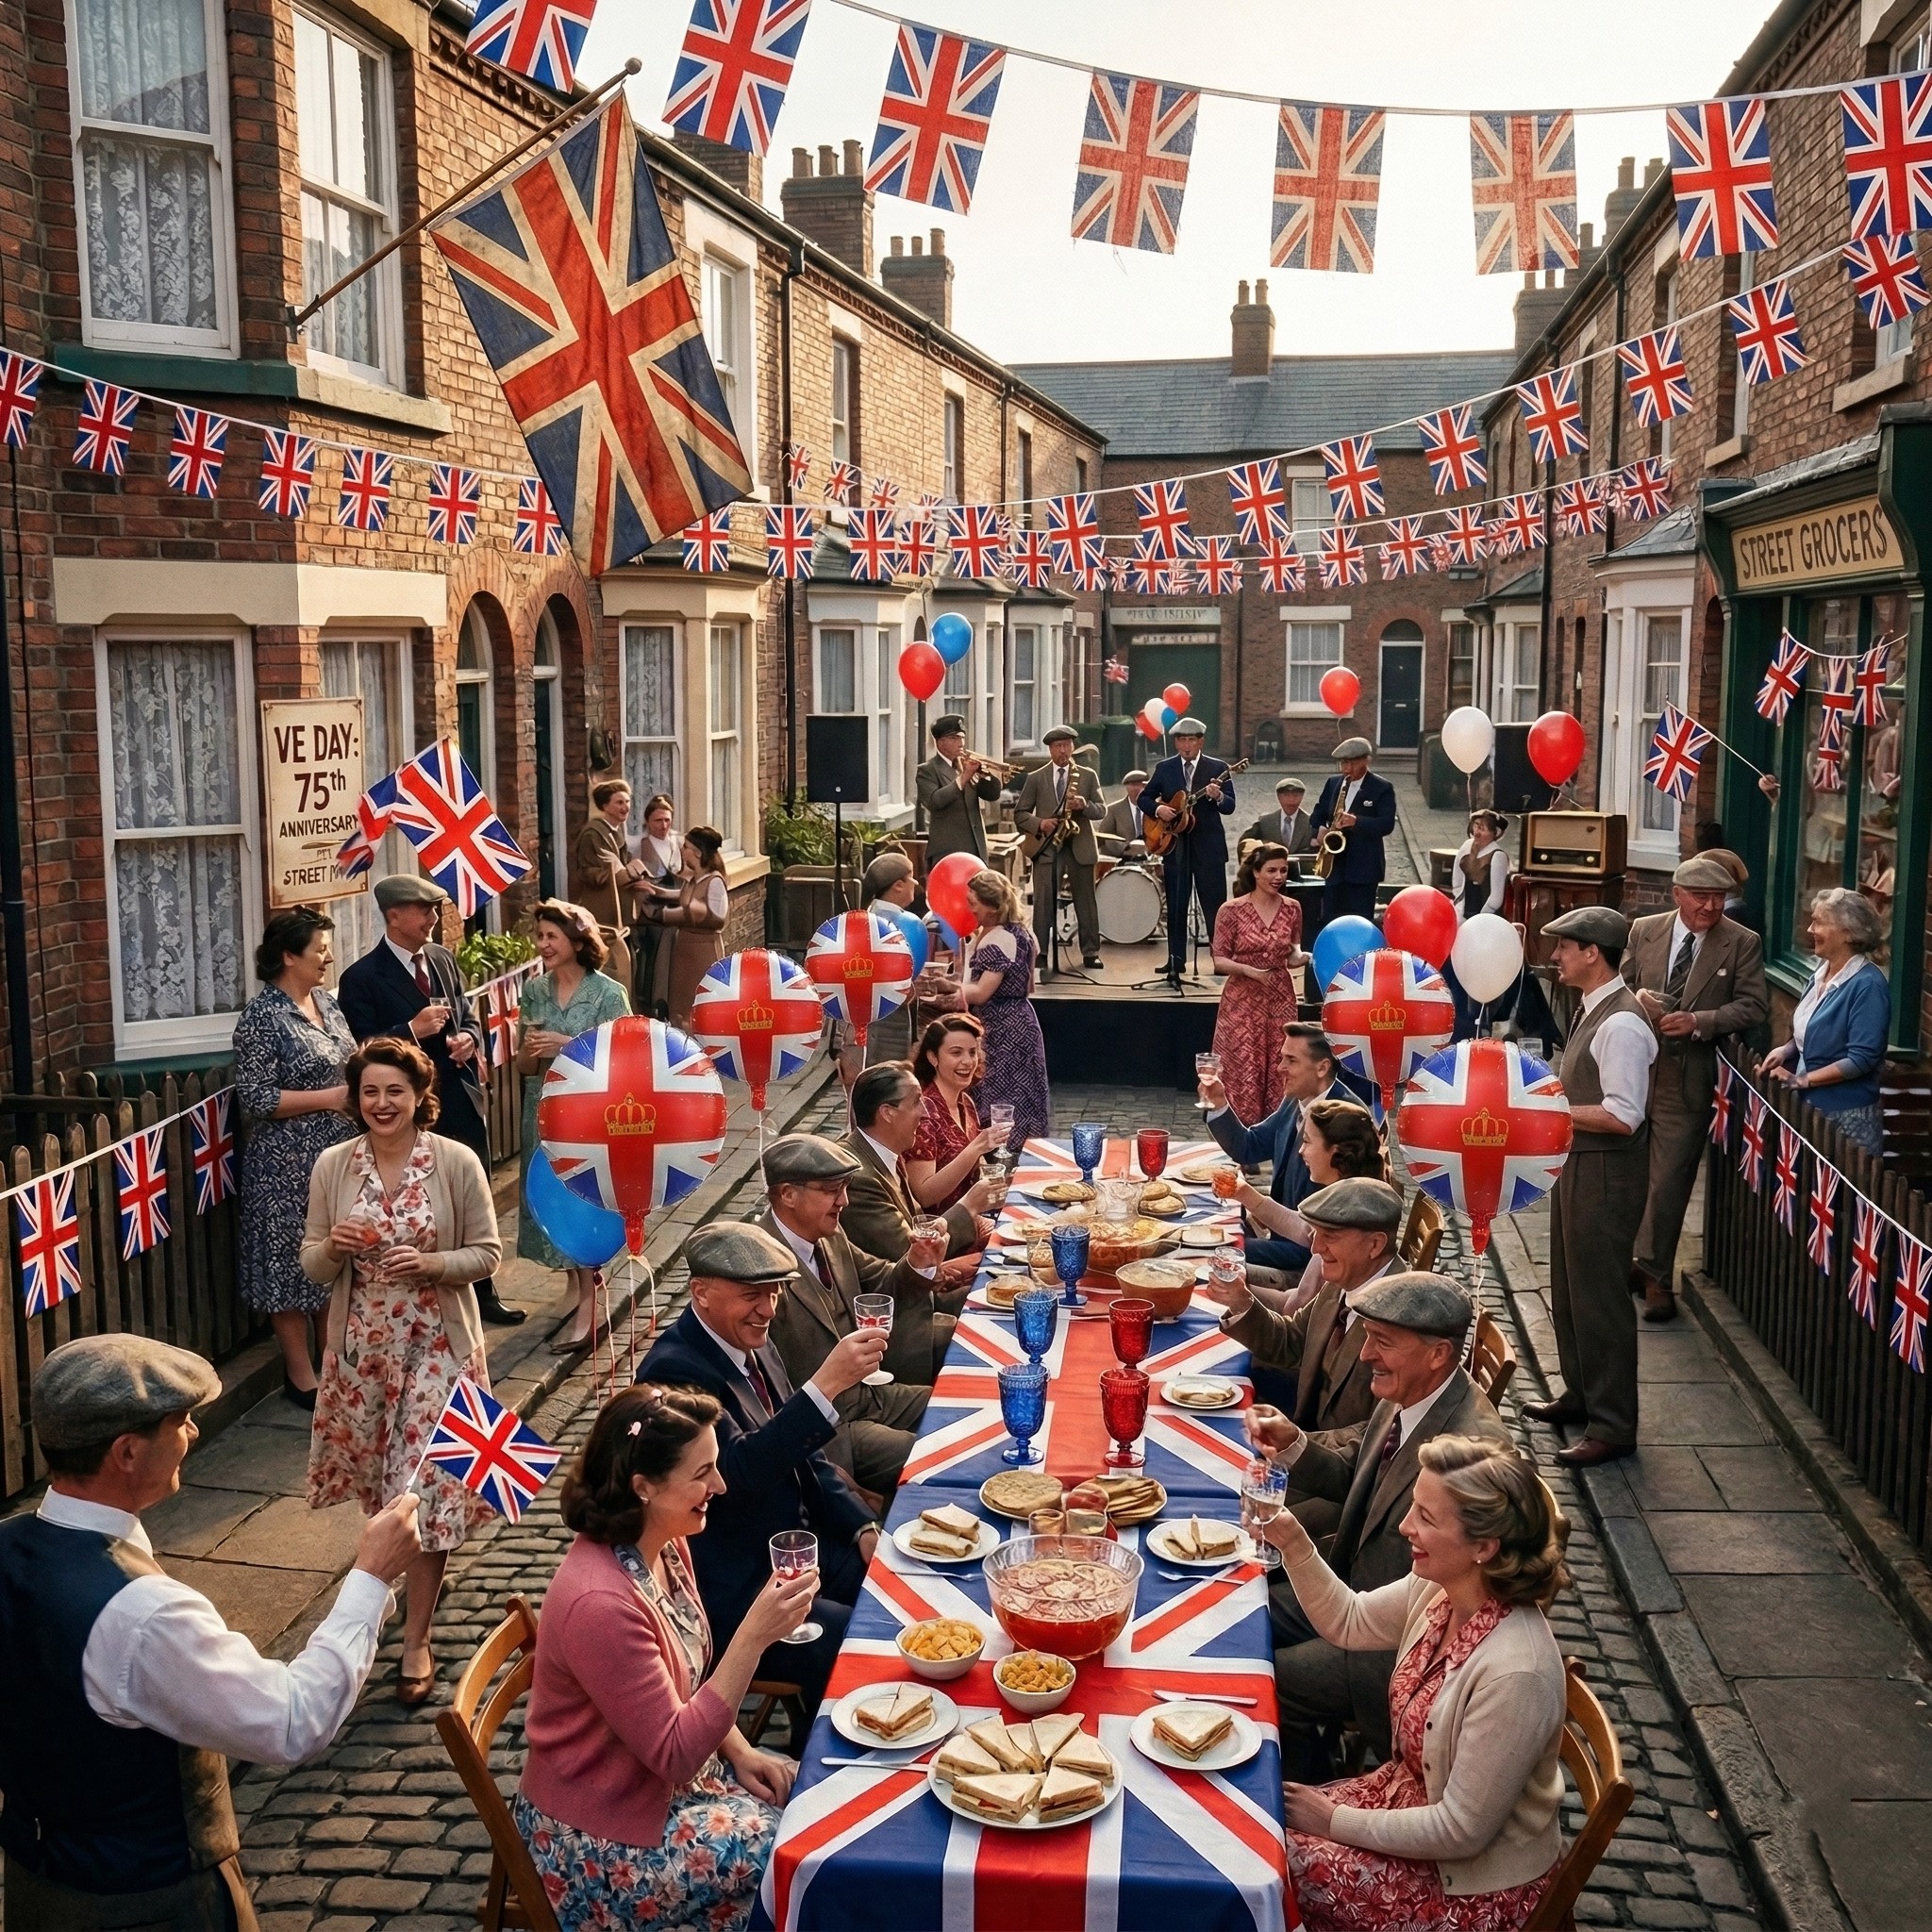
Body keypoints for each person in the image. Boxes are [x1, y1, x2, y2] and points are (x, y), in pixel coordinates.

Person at [0, 1334, 421, 1932]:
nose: (193, 1434)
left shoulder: (8, 1545)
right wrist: (372, 1578)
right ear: (125, 1452)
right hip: (152, 1903)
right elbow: (292, 1721)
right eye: (180, 1421)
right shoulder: (143, 1614)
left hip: (35, 1886)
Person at [515, 1384, 810, 1932]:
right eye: (702, 1474)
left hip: (666, 1788)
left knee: (812, 1795)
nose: (718, 1487)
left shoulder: (666, 1545)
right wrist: (753, 1638)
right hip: (601, 1837)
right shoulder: (599, 1603)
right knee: (796, 1853)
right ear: (643, 1487)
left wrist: (741, 1751)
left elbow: (683, 1686)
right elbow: (673, 1753)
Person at [1264, 1437, 1570, 1931]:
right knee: (1254, 1823)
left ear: (1483, 1547)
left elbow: (1459, 1831)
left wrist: (1332, 1821)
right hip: (1402, 1806)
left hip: (1466, 1885)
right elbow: (1349, 1620)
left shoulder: (1518, 1674)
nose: (1406, 1527)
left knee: (1267, 1867)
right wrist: (1293, 1542)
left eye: (1426, 1518)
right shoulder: (1440, 1587)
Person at [302, 1038, 504, 1705]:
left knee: (426, 1494)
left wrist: (434, 1265)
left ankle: (415, 1638)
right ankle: (377, 1597)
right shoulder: (335, 1165)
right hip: (362, 1357)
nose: (382, 1104)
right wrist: (334, 1245)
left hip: (437, 1351)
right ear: (356, 1102)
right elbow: (311, 1264)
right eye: (370, 1093)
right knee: (381, 1492)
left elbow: (488, 1254)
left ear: (420, 1096)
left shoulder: (454, 1162)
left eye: (395, 1091)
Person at [1245, 1274, 1510, 1773]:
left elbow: (1465, 1608)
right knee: (1236, 1602)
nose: (1365, 1353)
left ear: (1438, 1354)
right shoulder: (1409, 1390)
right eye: (1367, 1336)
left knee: (1258, 1677)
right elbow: (1355, 1470)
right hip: (1348, 1591)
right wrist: (1295, 1443)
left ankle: (1300, 1790)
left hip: (1389, 1642)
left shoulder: (1474, 1452)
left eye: (1382, 1341)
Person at [635, 1224, 884, 1711]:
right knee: (843, 1638)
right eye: (753, 1295)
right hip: (737, 1579)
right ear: (701, 1293)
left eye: (774, 1294)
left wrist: (859, 1526)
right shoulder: (676, 1371)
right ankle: (821, 1755)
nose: (768, 1310)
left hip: (795, 1547)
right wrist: (824, 1387)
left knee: (889, 1585)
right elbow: (736, 1476)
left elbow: (802, 1453)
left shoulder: (752, 1340)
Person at [337, 874, 522, 1328]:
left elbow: (468, 1016)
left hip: (458, 1097)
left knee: (468, 1194)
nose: (434, 919)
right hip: (407, 1113)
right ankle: (429, 1298)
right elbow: (361, 1051)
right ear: (394, 915)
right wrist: (410, 1032)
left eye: (436, 910)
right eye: (425, 911)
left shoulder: (441, 958)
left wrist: (468, 1039)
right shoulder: (360, 978)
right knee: (425, 1202)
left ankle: (483, 1292)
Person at [1522, 907, 1657, 1469]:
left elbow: (1624, 1115)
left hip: (1606, 1174)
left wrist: (1550, 1107)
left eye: (1563, 948)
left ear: (1592, 954)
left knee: (1599, 1298)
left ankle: (1613, 1424)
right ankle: (1580, 1394)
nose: (1555, 957)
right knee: (1570, 1286)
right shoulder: (1594, 1008)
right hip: (1581, 1166)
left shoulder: (1622, 1023)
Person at [1622, 854, 1771, 1322]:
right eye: (1701, 897)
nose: (1710, 907)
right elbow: (1616, 986)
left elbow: (1754, 1007)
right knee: (1629, 1175)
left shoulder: (1742, 942)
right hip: (1635, 1070)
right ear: (1678, 895)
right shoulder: (1645, 930)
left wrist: (1701, 1021)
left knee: (1668, 1182)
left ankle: (1657, 1278)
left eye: (1719, 898)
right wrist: (1637, 999)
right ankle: (1630, 1261)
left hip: (1687, 1081)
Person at [759, 1133, 951, 1493]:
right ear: (788, 1194)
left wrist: (918, 1263)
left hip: (873, 1395)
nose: (843, 1201)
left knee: (964, 1409)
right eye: (832, 1189)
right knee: (939, 1453)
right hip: (833, 1430)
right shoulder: (760, 1264)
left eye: (845, 1188)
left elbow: (881, 1279)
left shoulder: (829, 1234)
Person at [234, 907, 358, 1407]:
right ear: (289, 956)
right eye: (319, 949)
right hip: (285, 1165)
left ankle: (332, 1363)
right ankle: (300, 1375)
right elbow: (257, 1098)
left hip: (335, 1156)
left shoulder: (327, 1004)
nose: (328, 957)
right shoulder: (262, 1018)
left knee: (329, 1259)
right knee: (290, 1268)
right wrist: (330, 1098)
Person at [1203, 1179, 1399, 1494]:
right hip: (1304, 1451)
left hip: (1337, 1483)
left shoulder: (1399, 1323)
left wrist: (1295, 1443)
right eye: (1316, 1234)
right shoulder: (1345, 1280)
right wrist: (1242, 1302)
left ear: (1374, 1245)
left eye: (1329, 1237)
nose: (1316, 1248)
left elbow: (1380, 1438)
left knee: (1221, 1495)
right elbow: (1293, 1340)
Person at [517, 901, 631, 1353]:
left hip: (591, 1112)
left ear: (578, 942)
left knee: (586, 1199)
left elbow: (626, 1063)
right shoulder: (534, 991)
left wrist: (567, 1043)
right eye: (540, 937)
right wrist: (530, 1050)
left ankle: (591, 1308)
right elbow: (524, 1065)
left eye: (552, 937)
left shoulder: (608, 995)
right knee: (553, 1196)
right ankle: (579, 1291)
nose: (543, 945)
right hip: (543, 1105)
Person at [1202, 1023, 1355, 1274]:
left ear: (1322, 1067)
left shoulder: (1342, 1121)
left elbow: (1322, 1243)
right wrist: (1218, 1102)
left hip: (1310, 1260)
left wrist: (1238, 1245)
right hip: (1283, 1235)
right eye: (1282, 1058)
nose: (1279, 1068)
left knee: (1211, 1251)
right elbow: (1248, 1147)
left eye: (1291, 1061)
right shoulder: (1296, 1100)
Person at [1224, 1104, 1391, 1319]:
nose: (1300, 1150)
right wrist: (1244, 1192)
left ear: (1336, 1152)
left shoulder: (1344, 1224)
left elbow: (1294, 1309)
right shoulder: (1351, 1198)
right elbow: (1303, 1228)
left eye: (1307, 1141)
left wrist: (1239, 1293)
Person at [1762, 887, 1891, 1157]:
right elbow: (1810, 1028)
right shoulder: (1821, 973)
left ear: (1848, 932)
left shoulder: (1868, 985)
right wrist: (1786, 1050)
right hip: (1811, 1111)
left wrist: (1800, 1080)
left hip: (1844, 1120)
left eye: (1819, 922)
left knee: (1834, 1198)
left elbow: (1861, 1060)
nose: (1810, 929)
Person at [839, 1061, 991, 1265]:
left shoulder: (886, 1152)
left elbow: (918, 1226)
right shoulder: (858, 1177)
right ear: (887, 1113)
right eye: (917, 1102)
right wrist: (969, 1206)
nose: (925, 1112)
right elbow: (910, 1254)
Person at [1211, 842, 1307, 1122]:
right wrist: (1250, 971)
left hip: (1279, 997)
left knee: (1282, 1063)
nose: (1278, 877)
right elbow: (1219, 960)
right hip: (1242, 998)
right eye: (1271, 870)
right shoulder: (1231, 911)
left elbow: (1292, 953)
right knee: (1244, 1067)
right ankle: (1243, 1143)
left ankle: (1276, 1135)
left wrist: (1306, 957)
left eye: (1283, 870)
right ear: (1255, 872)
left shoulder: (1292, 909)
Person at [959, 869, 1051, 1145]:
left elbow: (981, 992)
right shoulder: (1021, 933)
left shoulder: (999, 940)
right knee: (1020, 1094)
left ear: (992, 907)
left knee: (1000, 1097)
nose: (969, 908)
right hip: (1021, 1021)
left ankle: (1001, 1155)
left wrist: (947, 989)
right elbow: (1029, 986)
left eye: (973, 903)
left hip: (1000, 1029)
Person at [1147, 718, 1237, 991]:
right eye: (1182, 740)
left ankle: (1220, 959)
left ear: (1200, 741)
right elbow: (1144, 797)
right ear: (1176, 742)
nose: (1187, 746)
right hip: (1175, 848)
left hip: (1208, 849)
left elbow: (1230, 806)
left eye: (1192, 740)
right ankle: (1176, 960)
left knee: (1215, 907)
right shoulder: (1164, 768)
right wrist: (1157, 809)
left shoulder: (1218, 769)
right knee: (1176, 904)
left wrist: (1218, 796)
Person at [1015, 724, 1101, 970]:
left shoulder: (1087, 775)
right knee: (1043, 902)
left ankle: (1091, 951)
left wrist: (1085, 805)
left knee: (1086, 901)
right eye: (1058, 746)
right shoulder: (1036, 778)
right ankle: (1040, 952)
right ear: (1050, 749)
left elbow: (1101, 810)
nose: (1063, 751)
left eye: (1067, 745)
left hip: (1080, 846)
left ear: (1073, 747)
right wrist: (1040, 823)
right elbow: (1020, 814)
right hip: (1048, 847)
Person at [907, 1014, 1001, 1215]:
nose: (968, 1061)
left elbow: (978, 1169)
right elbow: (924, 1195)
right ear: (933, 1058)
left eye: (973, 1052)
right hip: (943, 1227)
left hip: (975, 1214)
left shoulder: (965, 1102)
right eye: (956, 1053)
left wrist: (999, 1180)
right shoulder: (923, 1112)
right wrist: (975, 1148)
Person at [640, 824, 730, 1029]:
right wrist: (656, 891)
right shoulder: (694, 880)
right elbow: (683, 898)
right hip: (685, 950)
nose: (682, 850)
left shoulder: (714, 881)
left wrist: (660, 914)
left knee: (700, 1006)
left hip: (702, 950)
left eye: (686, 846)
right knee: (680, 1005)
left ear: (697, 853)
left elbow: (716, 916)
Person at [1308, 738, 1398, 925]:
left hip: (1363, 869)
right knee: (1331, 919)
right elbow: (1318, 813)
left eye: (1351, 763)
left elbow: (1386, 824)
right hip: (1334, 867)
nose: (1345, 769)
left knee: (1360, 922)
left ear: (1365, 761)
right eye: (1343, 763)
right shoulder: (1333, 783)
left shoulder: (1382, 788)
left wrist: (1357, 822)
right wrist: (1321, 830)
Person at [1444, 810, 1511, 1040]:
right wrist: (1458, 909)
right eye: (1475, 826)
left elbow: (1496, 897)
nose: (1477, 831)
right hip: (1464, 916)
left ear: (1495, 833)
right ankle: (1458, 1016)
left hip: (1485, 920)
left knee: (1481, 970)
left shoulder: (1498, 856)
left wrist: (1480, 921)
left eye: (1483, 827)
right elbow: (1456, 882)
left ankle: (1482, 1018)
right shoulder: (1465, 848)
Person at [575, 779, 643, 994]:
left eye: (627, 802)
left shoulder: (615, 832)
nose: (625, 807)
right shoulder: (594, 834)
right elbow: (591, 873)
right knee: (612, 968)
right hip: (603, 912)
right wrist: (622, 873)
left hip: (620, 912)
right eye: (619, 802)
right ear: (605, 806)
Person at [917, 714, 1001, 866]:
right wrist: (964, 777)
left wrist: (986, 774)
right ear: (940, 742)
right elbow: (935, 802)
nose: (961, 743)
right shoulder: (928, 770)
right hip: (948, 853)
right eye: (954, 738)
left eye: (962, 737)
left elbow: (993, 794)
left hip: (977, 851)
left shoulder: (965, 765)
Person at [630, 791, 681, 1015]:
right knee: (651, 958)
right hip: (649, 911)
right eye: (658, 820)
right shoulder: (638, 845)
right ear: (647, 821)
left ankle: (668, 1002)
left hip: (675, 904)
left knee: (673, 958)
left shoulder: (678, 842)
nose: (663, 825)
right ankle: (649, 1004)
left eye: (667, 820)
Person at [1241, 777, 1313, 858]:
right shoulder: (1265, 822)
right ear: (1278, 797)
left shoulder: (1312, 823)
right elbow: (1244, 844)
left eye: (1295, 795)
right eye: (1286, 795)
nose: (1291, 800)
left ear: (1302, 797)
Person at [1095, 769, 1151, 857]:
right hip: (1123, 857)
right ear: (1127, 787)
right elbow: (1105, 836)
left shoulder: (1157, 808)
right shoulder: (1113, 810)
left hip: (1152, 855)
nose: (1138, 788)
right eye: (1133, 785)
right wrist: (1126, 849)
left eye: (1142, 785)